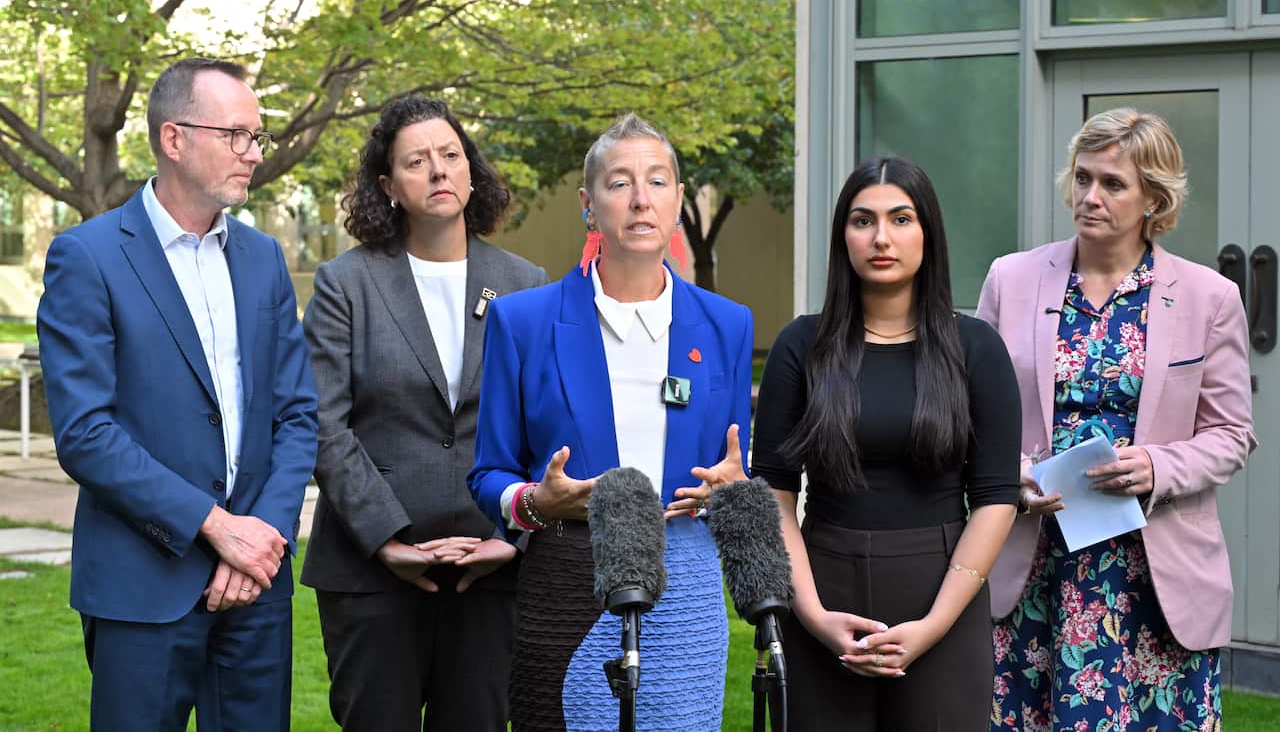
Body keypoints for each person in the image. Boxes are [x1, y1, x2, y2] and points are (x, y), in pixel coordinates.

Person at [36, 57, 318, 731]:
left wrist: (265, 538)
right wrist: (219, 530)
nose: (254, 153)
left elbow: (297, 412)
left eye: (258, 137)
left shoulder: (263, 258)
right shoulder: (89, 256)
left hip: (255, 589)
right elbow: (85, 433)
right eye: (238, 135)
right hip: (141, 586)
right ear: (174, 138)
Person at [467, 113, 753, 730]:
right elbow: (489, 473)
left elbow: (735, 467)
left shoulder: (728, 324)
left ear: (678, 199)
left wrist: (732, 490)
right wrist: (536, 502)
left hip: (688, 581)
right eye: (620, 182)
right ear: (589, 205)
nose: (641, 198)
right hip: (568, 579)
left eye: (657, 180)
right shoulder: (525, 322)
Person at [981, 108, 1257, 731]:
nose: (1090, 197)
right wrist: (1014, 476)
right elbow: (975, 419)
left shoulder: (1209, 297)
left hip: (1152, 578)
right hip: (1033, 566)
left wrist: (1157, 465)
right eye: (1082, 178)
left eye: (1112, 183)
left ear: (1153, 200)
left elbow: (1232, 435)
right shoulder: (1011, 278)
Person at [300, 94, 547, 731]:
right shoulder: (345, 284)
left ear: (471, 171)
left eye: (450, 155)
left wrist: (511, 538)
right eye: (416, 161)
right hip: (371, 572)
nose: (438, 171)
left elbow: (549, 427)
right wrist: (388, 539)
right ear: (388, 186)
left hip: (490, 567)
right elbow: (324, 423)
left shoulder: (526, 284)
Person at [751, 156, 1022, 731]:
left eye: (901, 219)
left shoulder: (975, 348)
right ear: (842, 236)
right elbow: (774, 492)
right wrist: (815, 616)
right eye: (862, 220)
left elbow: (997, 498)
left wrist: (934, 624)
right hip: (824, 585)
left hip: (943, 588)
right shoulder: (801, 346)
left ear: (929, 233)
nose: (881, 237)